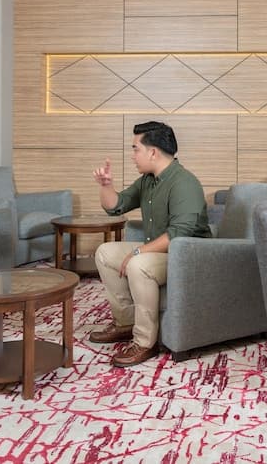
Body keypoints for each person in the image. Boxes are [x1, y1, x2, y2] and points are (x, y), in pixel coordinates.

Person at [90, 121, 212, 367]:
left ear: (153, 152)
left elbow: (180, 233)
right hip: (160, 251)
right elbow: (117, 206)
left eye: (136, 149)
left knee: (139, 264)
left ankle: (145, 342)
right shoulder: (147, 180)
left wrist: (138, 251)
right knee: (105, 253)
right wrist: (106, 186)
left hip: (188, 255)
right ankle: (125, 323)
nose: (133, 155)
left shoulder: (185, 182)